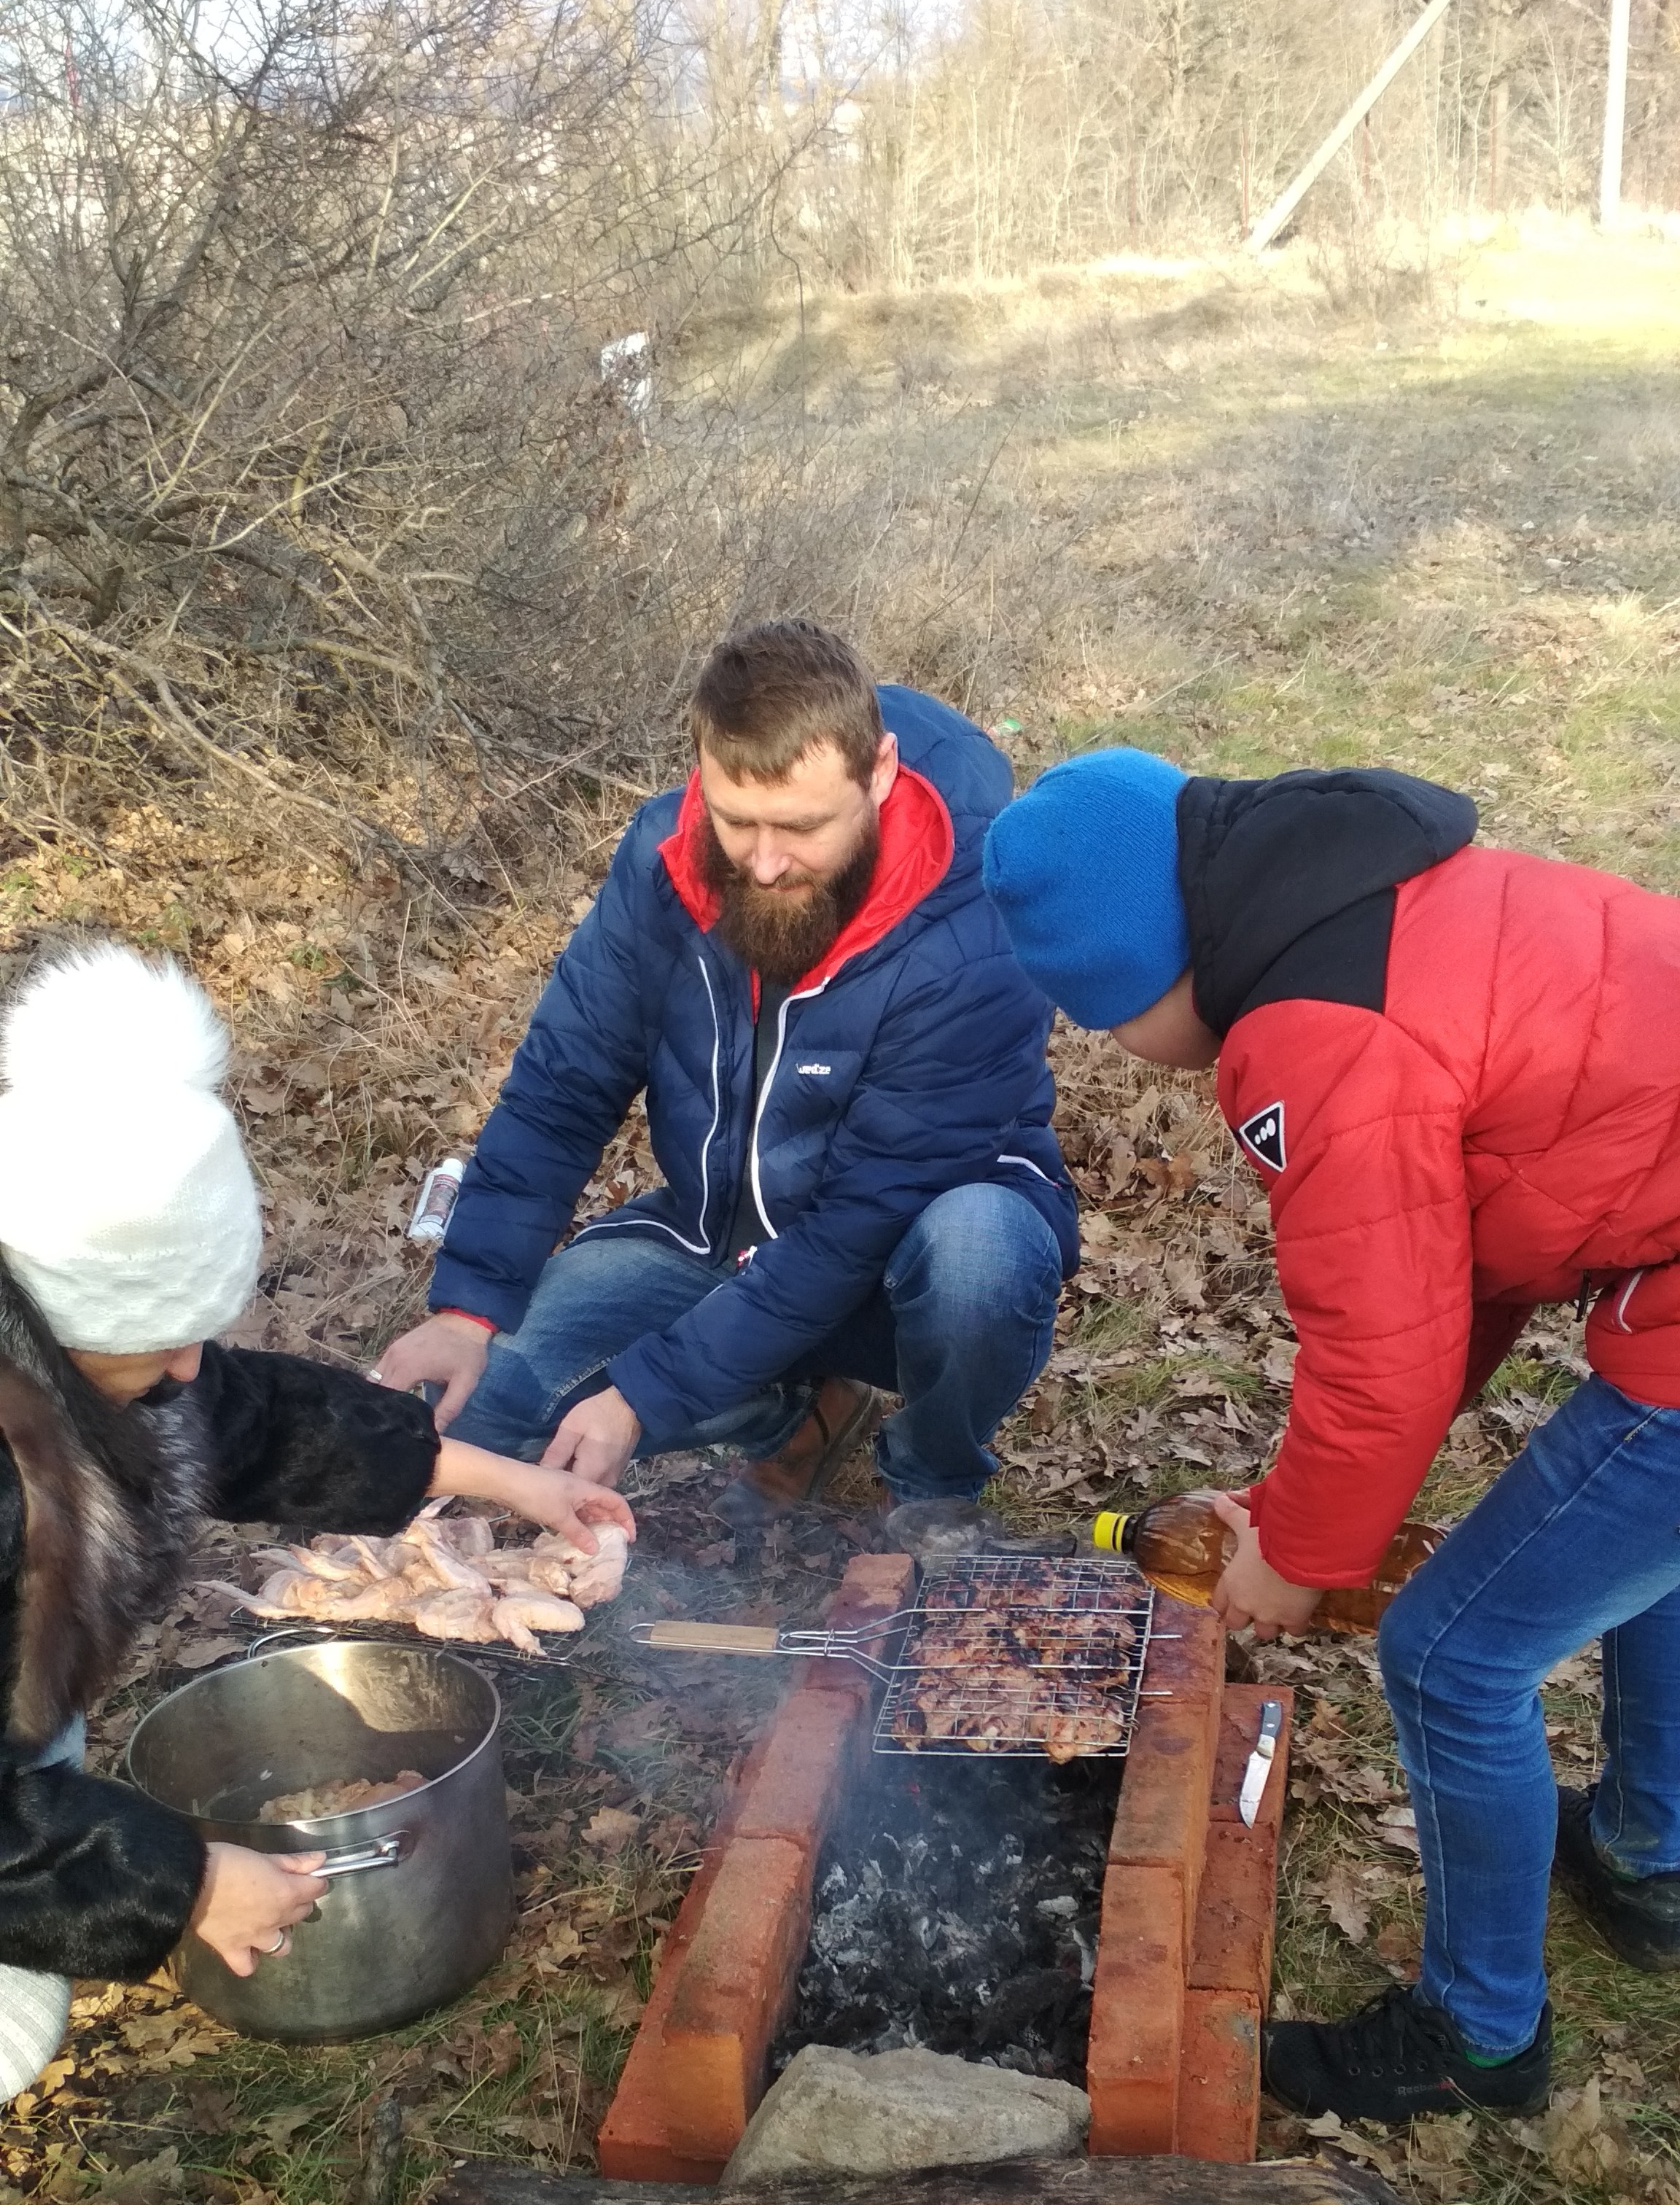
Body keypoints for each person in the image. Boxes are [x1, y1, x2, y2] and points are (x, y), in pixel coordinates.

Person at [984, 746, 1680, 2126]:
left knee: (1448, 1654)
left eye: (1098, 1017)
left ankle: (1474, 2037)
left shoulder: (1311, 1032)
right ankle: (1646, 1853)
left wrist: (1296, 1554)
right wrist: (1290, 1498)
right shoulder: (1362, 897)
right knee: (1642, 1558)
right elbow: (1440, 1281)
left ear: (1132, 973)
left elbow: (1380, 1352)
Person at [0, 938, 632, 2091]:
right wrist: (181, 1879)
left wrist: (507, 1482)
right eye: (158, 1338)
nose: (193, 1362)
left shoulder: (62, 1348)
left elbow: (255, 1423)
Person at [376, 620, 1078, 1516]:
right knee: (484, 1417)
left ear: (881, 773)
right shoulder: (664, 862)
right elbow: (564, 1083)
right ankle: (787, 1419)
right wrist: (466, 1306)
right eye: (736, 820)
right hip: (720, 1242)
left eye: (800, 826)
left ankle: (933, 1483)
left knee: (983, 1249)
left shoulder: (972, 923)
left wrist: (644, 1395)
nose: (766, 860)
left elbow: (860, 1221)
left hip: (899, 1269)